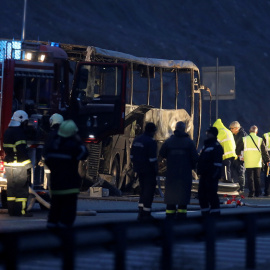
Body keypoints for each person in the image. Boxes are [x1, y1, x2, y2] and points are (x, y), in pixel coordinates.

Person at [44, 120, 88, 229]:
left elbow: (47, 159)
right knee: (67, 216)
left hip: (56, 186)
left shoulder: (53, 146)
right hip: (70, 187)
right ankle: (65, 239)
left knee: (54, 212)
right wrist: (79, 141)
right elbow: (84, 153)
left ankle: (51, 235)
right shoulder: (74, 147)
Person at [159, 121, 198, 220]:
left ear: (175, 129)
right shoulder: (189, 142)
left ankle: (169, 217)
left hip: (172, 174)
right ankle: (182, 218)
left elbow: (161, 154)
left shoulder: (169, 141)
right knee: (183, 198)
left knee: (171, 198)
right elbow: (195, 159)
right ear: (184, 130)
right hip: (185, 175)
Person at [3, 110, 33, 217]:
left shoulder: (7, 131)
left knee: (11, 189)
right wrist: (28, 165)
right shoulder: (19, 133)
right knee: (21, 190)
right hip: (19, 166)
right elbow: (21, 150)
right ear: (21, 120)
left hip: (9, 165)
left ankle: (12, 211)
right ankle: (21, 211)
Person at [130, 122, 158, 221]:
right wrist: (155, 169)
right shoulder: (151, 141)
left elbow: (132, 156)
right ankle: (146, 213)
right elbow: (152, 159)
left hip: (138, 169)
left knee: (142, 190)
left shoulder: (137, 139)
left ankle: (140, 211)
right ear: (152, 131)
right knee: (149, 191)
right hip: (148, 170)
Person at [197, 127, 224, 216]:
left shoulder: (216, 146)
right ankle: (205, 213)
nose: (207, 134)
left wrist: (214, 175)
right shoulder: (206, 146)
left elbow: (217, 164)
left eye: (208, 132)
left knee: (212, 194)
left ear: (212, 134)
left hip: (211, 175)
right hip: (204, 174)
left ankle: (215, 214)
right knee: (202, 195)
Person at [243, 125, 269, 197]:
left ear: (249, 131)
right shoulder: (260, 139)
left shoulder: (244, 139)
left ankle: (251, 192)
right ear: (256, 132)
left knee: (250, 178)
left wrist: (239, 155)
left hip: (248, 162)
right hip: (257, 162)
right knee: (257, 178)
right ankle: (258, 192)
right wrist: (267, 160)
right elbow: (264, 151)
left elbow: (238, 148)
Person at [213, 119, 237, 183]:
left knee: (226, 168)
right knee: (230, 168)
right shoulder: (228, 131)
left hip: (227, 154)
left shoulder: (221, 131)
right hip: (232, 153)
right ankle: (230, 180)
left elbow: (214, 141)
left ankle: (227, 181)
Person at [229, 121, 247, 193]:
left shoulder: (244, 135)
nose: (230, 130)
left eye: (232, 128)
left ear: (236, 128)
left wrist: (242, 155)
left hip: (240, 156)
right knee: (232, 171)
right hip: (234, 155)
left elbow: (246, 146)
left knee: (241, 172)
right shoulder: (232, 135)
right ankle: (233, 187)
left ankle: (241, 188)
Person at [263, 131, 270, 196]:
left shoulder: (266, 135)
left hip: (268, 158)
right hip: (268, 158)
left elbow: (263, 149)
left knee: (267, 175)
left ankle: (267, 192)